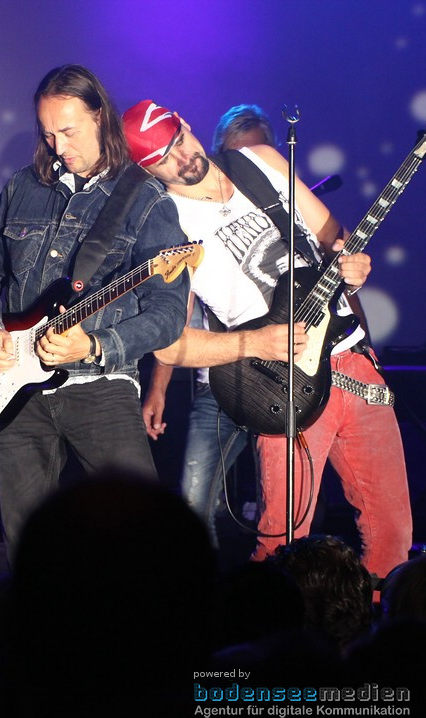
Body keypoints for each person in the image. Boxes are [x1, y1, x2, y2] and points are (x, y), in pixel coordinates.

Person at [122, 99, 412, 580]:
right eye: (162, 160)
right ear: (145, 171)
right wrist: (254, 344)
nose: (181, 158)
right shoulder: (166, 227)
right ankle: (264, 647)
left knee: (393, 535)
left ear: (187, 125)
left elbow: (332, 239)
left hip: (353, 363)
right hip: (282, 383)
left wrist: (353, 271)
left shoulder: (261, 161)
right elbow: (170, 344)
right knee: (283, 543)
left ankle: (373, 644)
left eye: (179, 141)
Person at [0, 66, 190, 559]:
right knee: (27, 550)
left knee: (143, 540)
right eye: (47, 134)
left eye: (68, 131)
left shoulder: (144, 199)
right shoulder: (23, 188)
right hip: (17, 392)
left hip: (101, 389)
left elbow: (169, 314)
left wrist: (98, 345)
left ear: (99, 116)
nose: (58, 146)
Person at [141, 104, 276, 546]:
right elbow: (177, 315)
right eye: (238, 153)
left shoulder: (269, 194)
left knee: (283, 510)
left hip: (290, 377)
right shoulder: (182, 218)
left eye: (258, 151)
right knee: (194, 507)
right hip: (219, 385)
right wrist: (158, 389)